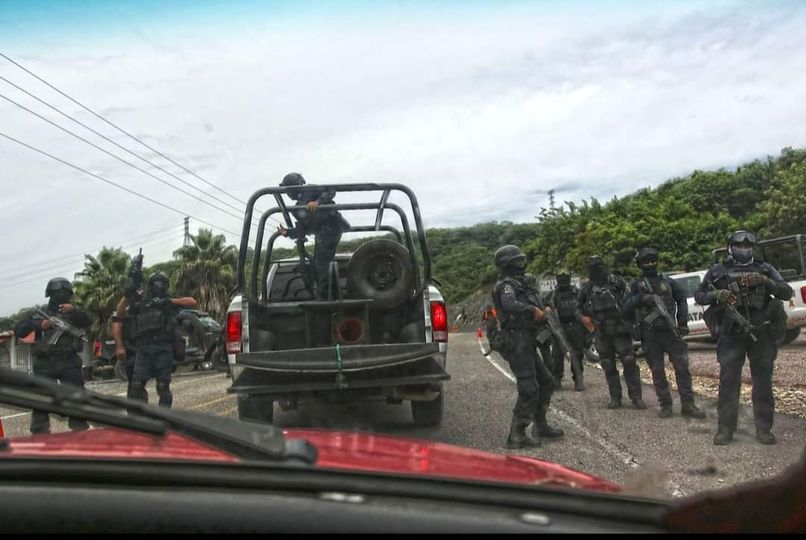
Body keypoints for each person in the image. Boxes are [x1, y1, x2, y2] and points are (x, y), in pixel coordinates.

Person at [694, 230, 792, 445]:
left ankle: (764, 429)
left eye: (749, 246)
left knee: (763, 383)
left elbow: (786, 292)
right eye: (740, 245)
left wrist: (766, 281)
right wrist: (716, 295)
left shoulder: (765, 268)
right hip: (731, 334)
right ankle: (726, 430)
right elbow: (698, 295)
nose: (744, 249)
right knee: (729, 382)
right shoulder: (718, 271)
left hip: (761, 332)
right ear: (730, 247)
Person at [491, 245, 564, 449]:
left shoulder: (523, 284)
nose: (522, 265)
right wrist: (532, 311)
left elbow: (538, 303)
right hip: (516, 341)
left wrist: (545, 308)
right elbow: (509, 304)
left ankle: (540, 426)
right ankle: (517, 433)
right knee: (529, 388)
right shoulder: (505, 286)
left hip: (528, 340)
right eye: (518, 261)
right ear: (508, 264)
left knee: (547, 382)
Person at [624, 247, 705, 419]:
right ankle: (666, 405)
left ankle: (688, 404)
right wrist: (640, 299)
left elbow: (682, 299)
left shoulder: (668, 282)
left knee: (682, 368)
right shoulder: (635, 286)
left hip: (670, 331)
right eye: (647, 262)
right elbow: (625, 308)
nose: (651, 264)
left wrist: (682, 322)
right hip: (649, 334)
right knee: (657, 371)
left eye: (653, 261)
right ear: (640, 264)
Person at [13, 277, 91, 434]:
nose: (61, 295)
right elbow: (19, 329)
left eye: (65, 292)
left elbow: (87, 320)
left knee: (77, 397)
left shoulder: (74, 313)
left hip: (69, 361)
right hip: (45, 363)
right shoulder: (40, 313)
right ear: (50, 294)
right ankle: (39, 434)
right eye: (58, 292)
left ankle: (80, 431)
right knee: (41, 400)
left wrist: (73, 311)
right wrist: (40, 325)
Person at [577, 256, 646, 410]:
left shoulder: (617, 282)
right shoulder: (587, 288)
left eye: (599, 267)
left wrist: (633, 323)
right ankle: (615, 397)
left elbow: (631, 301)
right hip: (601, 332)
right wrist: (583, 318)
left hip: (621, 330)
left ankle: (636, 397)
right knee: (608, 365)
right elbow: (577, 308)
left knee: (629, 362)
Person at [122, 272, 196, 408]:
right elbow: (121, 313)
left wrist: (168, 301)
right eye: (156, 283)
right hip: (143, 348)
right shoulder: (143, 303)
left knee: (163, 386)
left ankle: (164, 417)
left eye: (161, 283)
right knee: (136, 386)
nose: (159, 286)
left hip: (163, 346)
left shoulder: (168, 300)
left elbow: (192, 301)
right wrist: (126, 295)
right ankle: (140, 418)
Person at [277, 172, 351, 300]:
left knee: (321, 263)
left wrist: (318, 202)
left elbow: (331, 189)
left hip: (331, 226)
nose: (288, 194)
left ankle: (325, 297)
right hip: (321, 233)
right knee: (318, 263)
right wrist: (288, 233)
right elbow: (304, 229)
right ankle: (330, 294)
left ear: (297, 186)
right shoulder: (297, 208)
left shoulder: (309, 189)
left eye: (289, 189)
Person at [545, 269, 586, 391]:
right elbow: (545, 310)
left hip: (575, 326)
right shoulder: (552, 295)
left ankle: (578, 378)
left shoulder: (577, 293)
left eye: (565, 277)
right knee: (557, 355)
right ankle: (556, 379)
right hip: (559, 327)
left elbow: (584, 309)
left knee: (577, 354)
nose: (563, 280)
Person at [111, 300, 138, 398]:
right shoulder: (125, 306)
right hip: (131, 347)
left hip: (147, 345)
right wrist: (119, 346)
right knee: (135, 383)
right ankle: (134, 411)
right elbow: (116, 322)